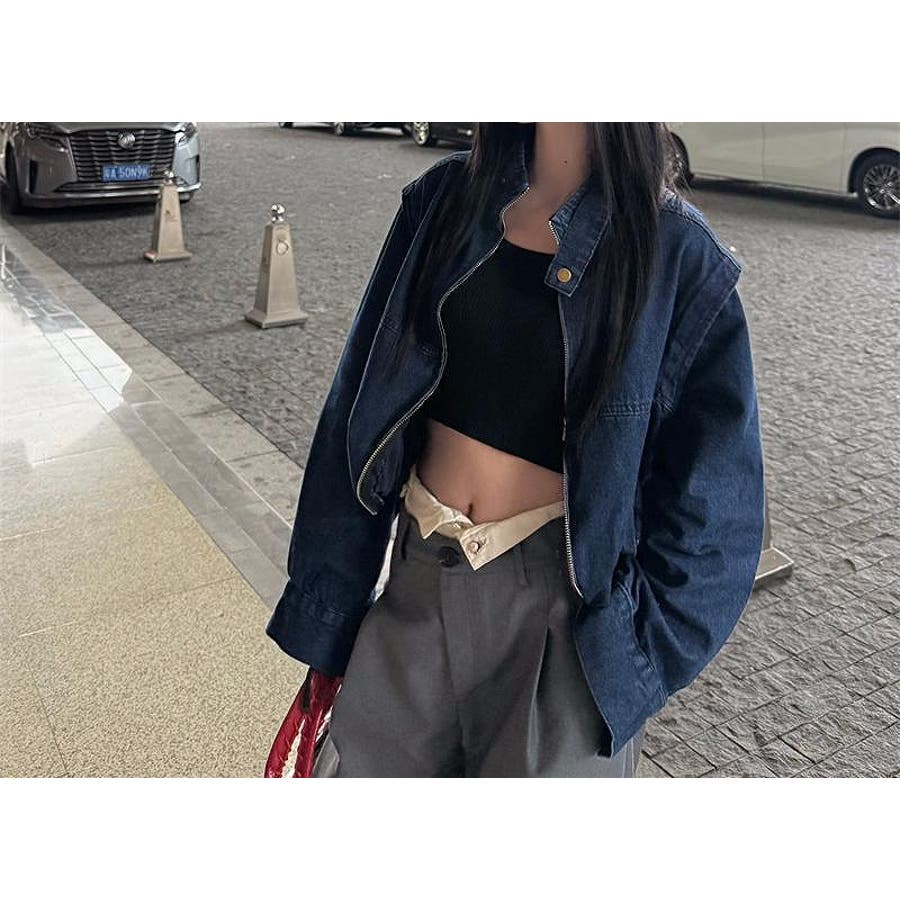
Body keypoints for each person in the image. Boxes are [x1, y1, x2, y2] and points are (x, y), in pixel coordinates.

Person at [264, 122, 766, 777]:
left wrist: (630, 658)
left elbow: (718, 513)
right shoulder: (442, 202)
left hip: (565, 626)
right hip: (417, 583)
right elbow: (354, 416)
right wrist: (329, 609)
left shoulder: (677, 254)